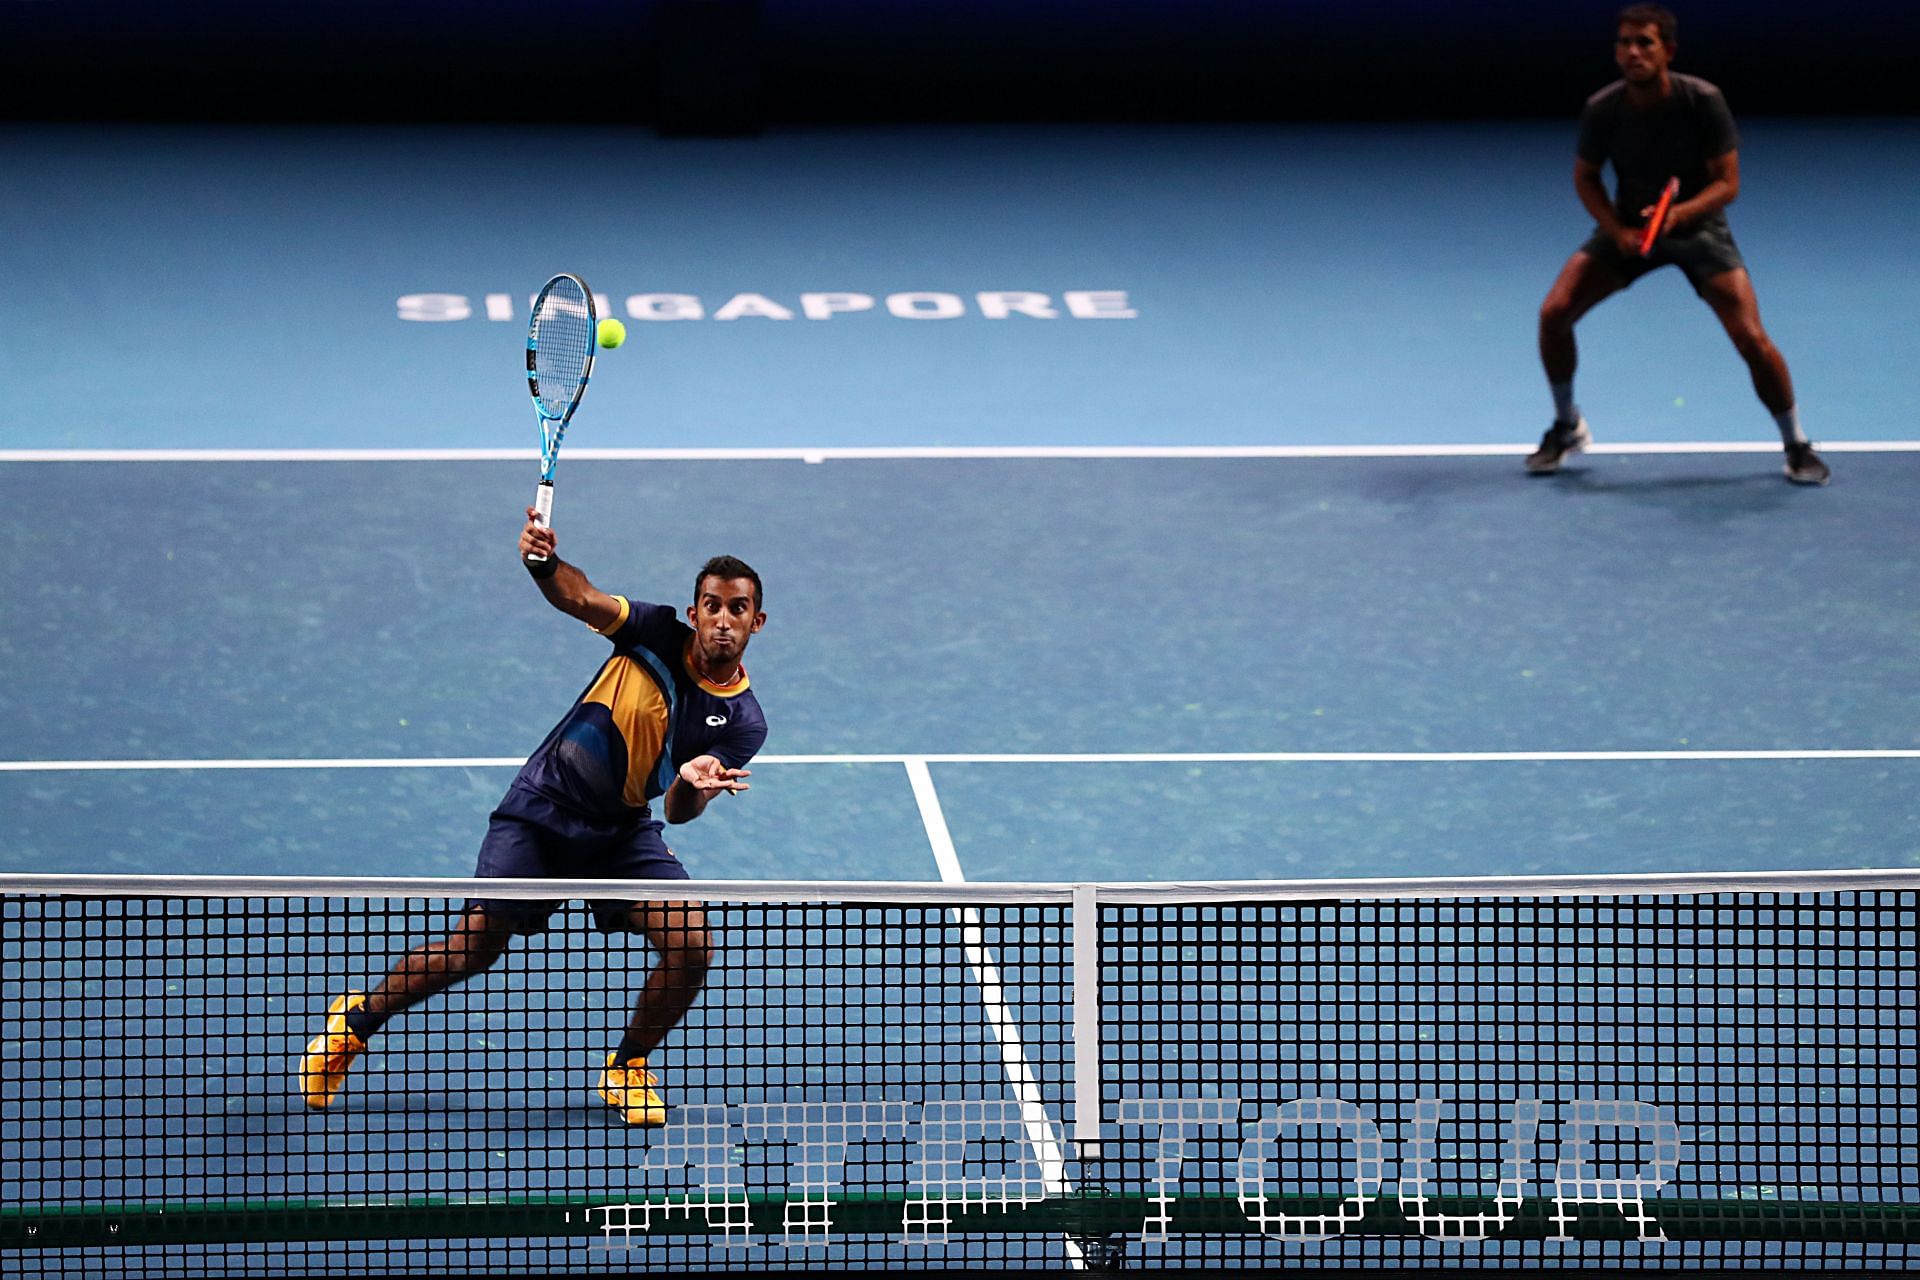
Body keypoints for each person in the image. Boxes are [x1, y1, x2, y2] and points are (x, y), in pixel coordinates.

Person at [298, 510, 768, 1126]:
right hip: (543, 809)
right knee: (473, 947)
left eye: (737, 609)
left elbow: (679, 815)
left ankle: (626, 1066)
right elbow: (579, 597)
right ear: (694, 611)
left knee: (692, 944)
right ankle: (354, 1025)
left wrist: (688, 784)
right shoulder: (653, 631)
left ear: (756, 622)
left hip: (622, 832)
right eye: (712, 605)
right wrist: (543, 563)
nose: (722, 620)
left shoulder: (743, 722)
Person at [1529, 4, 1829, 486]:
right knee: (1554, 312)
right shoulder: (1602, 109)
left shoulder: (1702, 100)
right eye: (1625, 43)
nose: (1633, 52)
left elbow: (1726, 184)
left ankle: (1797, 444)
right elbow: (1585, 177)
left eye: (1644, 42)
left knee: (1751, 337)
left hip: (1698, 230)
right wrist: (1617, 228)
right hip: (1628, 227)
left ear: (1667, 50)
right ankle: (1567, 426)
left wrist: (1678, 215)